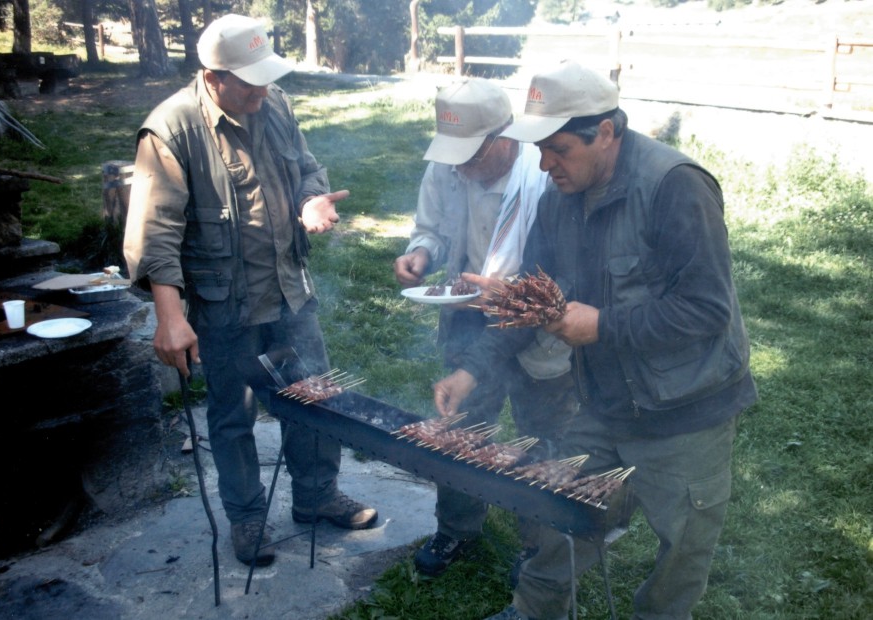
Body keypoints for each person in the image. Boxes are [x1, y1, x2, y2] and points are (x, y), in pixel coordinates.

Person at [433, 61, 758, 620]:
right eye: (540, 150)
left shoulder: (676, 186)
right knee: (558, 505)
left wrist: (602, 325)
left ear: (605, 132)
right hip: (604, 400)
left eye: (558, 149)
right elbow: (535, 298)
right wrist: (472, 369)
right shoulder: (559, 197)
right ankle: (533, 611)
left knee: (681, 546)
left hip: (686, 409)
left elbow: (707, 309)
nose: (545, 164)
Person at [123, 14, 377, 568]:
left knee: (314, 397)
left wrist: (310, 201)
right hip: (224, 305)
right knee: (232, 413)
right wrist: (170, 316)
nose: (262, 92)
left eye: (266, 79)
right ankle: (247, 518)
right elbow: (154, 231)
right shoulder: (171, 130)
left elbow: (307, 169)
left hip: (289, 289)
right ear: (213, 77)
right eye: (249, 83)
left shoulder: (274, 103)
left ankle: (316, 495)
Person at [394, 78, 575, 576]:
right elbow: (430, 226)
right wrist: (421, 252)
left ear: (505, 138)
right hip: (469, 317)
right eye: (454, 155)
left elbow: (563, 272)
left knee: (544, 437)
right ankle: (457, 528)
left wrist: (520, 298)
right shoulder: (447, 164)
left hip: (543, 327)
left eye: (471, 155)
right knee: (460, 426)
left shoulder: (546, 178)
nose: (460, 167)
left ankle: (538, 545)